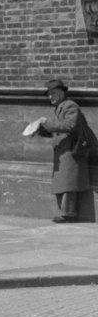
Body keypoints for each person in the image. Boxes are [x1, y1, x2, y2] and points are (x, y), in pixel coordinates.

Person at [33, 79, 94, 223]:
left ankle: (68, 214)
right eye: (49, 94)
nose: (50, 97)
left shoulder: (70, 105)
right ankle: (65, 212)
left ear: (62, 92)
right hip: (64, 150)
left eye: (53, 93)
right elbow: (59, 130)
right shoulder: (61, 107)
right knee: (63, 182)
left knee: (68, 182)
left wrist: (48, 124)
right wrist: (40, 130)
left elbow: (70, 125)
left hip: (71, 150)